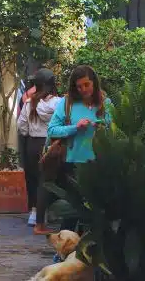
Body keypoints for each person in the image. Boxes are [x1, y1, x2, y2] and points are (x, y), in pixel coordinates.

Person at [46, 65, 111, 233]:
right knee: (71, 212)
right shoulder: (67, 103)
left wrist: (103, 126)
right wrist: (75, 127)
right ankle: (64, 252)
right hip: (73, 163)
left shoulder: (105, 103)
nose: (83, 90)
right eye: (79, 86)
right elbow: (52, 130)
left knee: (95, 212)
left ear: (94, 83)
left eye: (86, 85)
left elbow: (117, 127)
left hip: (98, 163)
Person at [17, 68, 60, 235]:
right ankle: (43, 218)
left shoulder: (29, 103)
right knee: (46, 181)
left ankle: (34, 214)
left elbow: (22, 126)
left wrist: (29, 133)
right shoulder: (59, 103)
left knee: (33, 178)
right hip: (50, 143)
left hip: (32, 144)